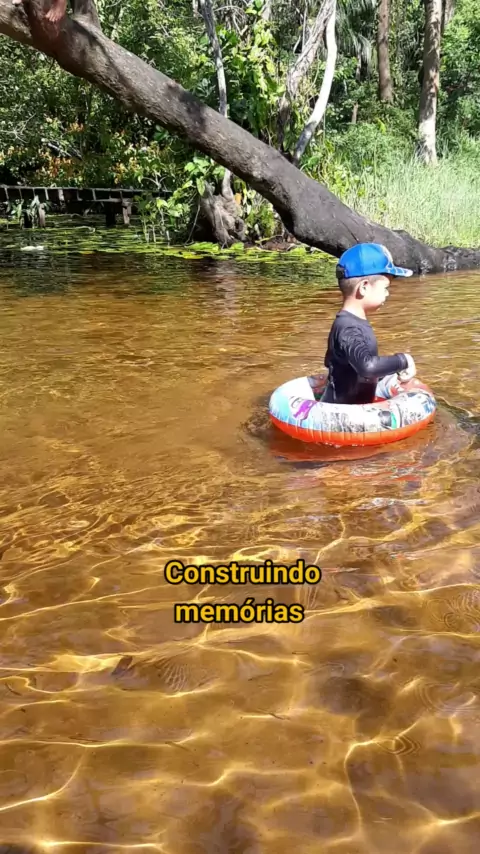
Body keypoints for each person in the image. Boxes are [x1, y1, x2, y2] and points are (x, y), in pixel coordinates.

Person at [320, 242, 417, 406]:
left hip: (356, 406)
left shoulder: (351, 323)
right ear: (364, 287)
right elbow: (367, 366)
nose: (388, 294)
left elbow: (331, 361)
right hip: (341, 412)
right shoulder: (348, 328)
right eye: (385, 287)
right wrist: (403, 360)